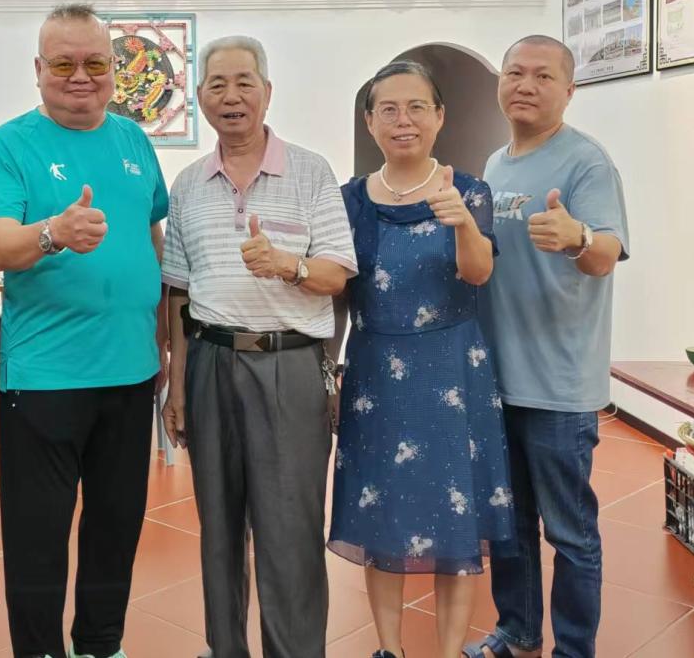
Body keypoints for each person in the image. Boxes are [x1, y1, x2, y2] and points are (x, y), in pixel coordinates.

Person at [0, 3, 168, 658]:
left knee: (116, 526)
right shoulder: (10, 145)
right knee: (37, 537)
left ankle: (100, 645)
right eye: (63, 63)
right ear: (38, 68)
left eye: (94, 63)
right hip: (46, 378)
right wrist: (54, 232)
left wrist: (162, 336)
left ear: (113, 69)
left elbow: (152, 237)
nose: (80, 76)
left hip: (131, 372)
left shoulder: (134, 141)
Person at [160, 35, 356, 658]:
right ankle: (225, 648)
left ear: (267, 92)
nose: (232, 96)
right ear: (200, 98)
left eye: (244, 82)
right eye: (217, 84)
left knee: (290, 529)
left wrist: (287, 265)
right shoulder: (187, 185)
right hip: (210, 362)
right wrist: (177, 386)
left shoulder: (311, 172)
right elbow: (178, 294)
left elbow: (337, 274)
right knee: (218, 526)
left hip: (289, 363)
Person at [328, 61, 515, 658]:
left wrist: (461, 223)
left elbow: (478, 273)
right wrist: (330, 371)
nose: (402, 120)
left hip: (452, 369)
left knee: (456, 515)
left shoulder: (470, 190)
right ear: (370, 121)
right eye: (388, 109)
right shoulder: (350, 200)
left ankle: (450, 649)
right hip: (375, 374)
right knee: (378, 508)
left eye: (416, 107)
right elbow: (339, 292)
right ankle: (389, 648)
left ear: (439, 117)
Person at [466, 36, 628, 658]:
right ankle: (518, 631)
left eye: (542, 75)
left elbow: (605, 255)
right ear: (500, 83)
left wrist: (578, 235)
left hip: (559, 384)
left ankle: (574, 650)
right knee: (508, 524)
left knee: (570, 532)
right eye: (515, 73)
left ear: (569, 90)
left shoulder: (587, 162)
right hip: (499, 379)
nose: (525, 85)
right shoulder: (496, 162)